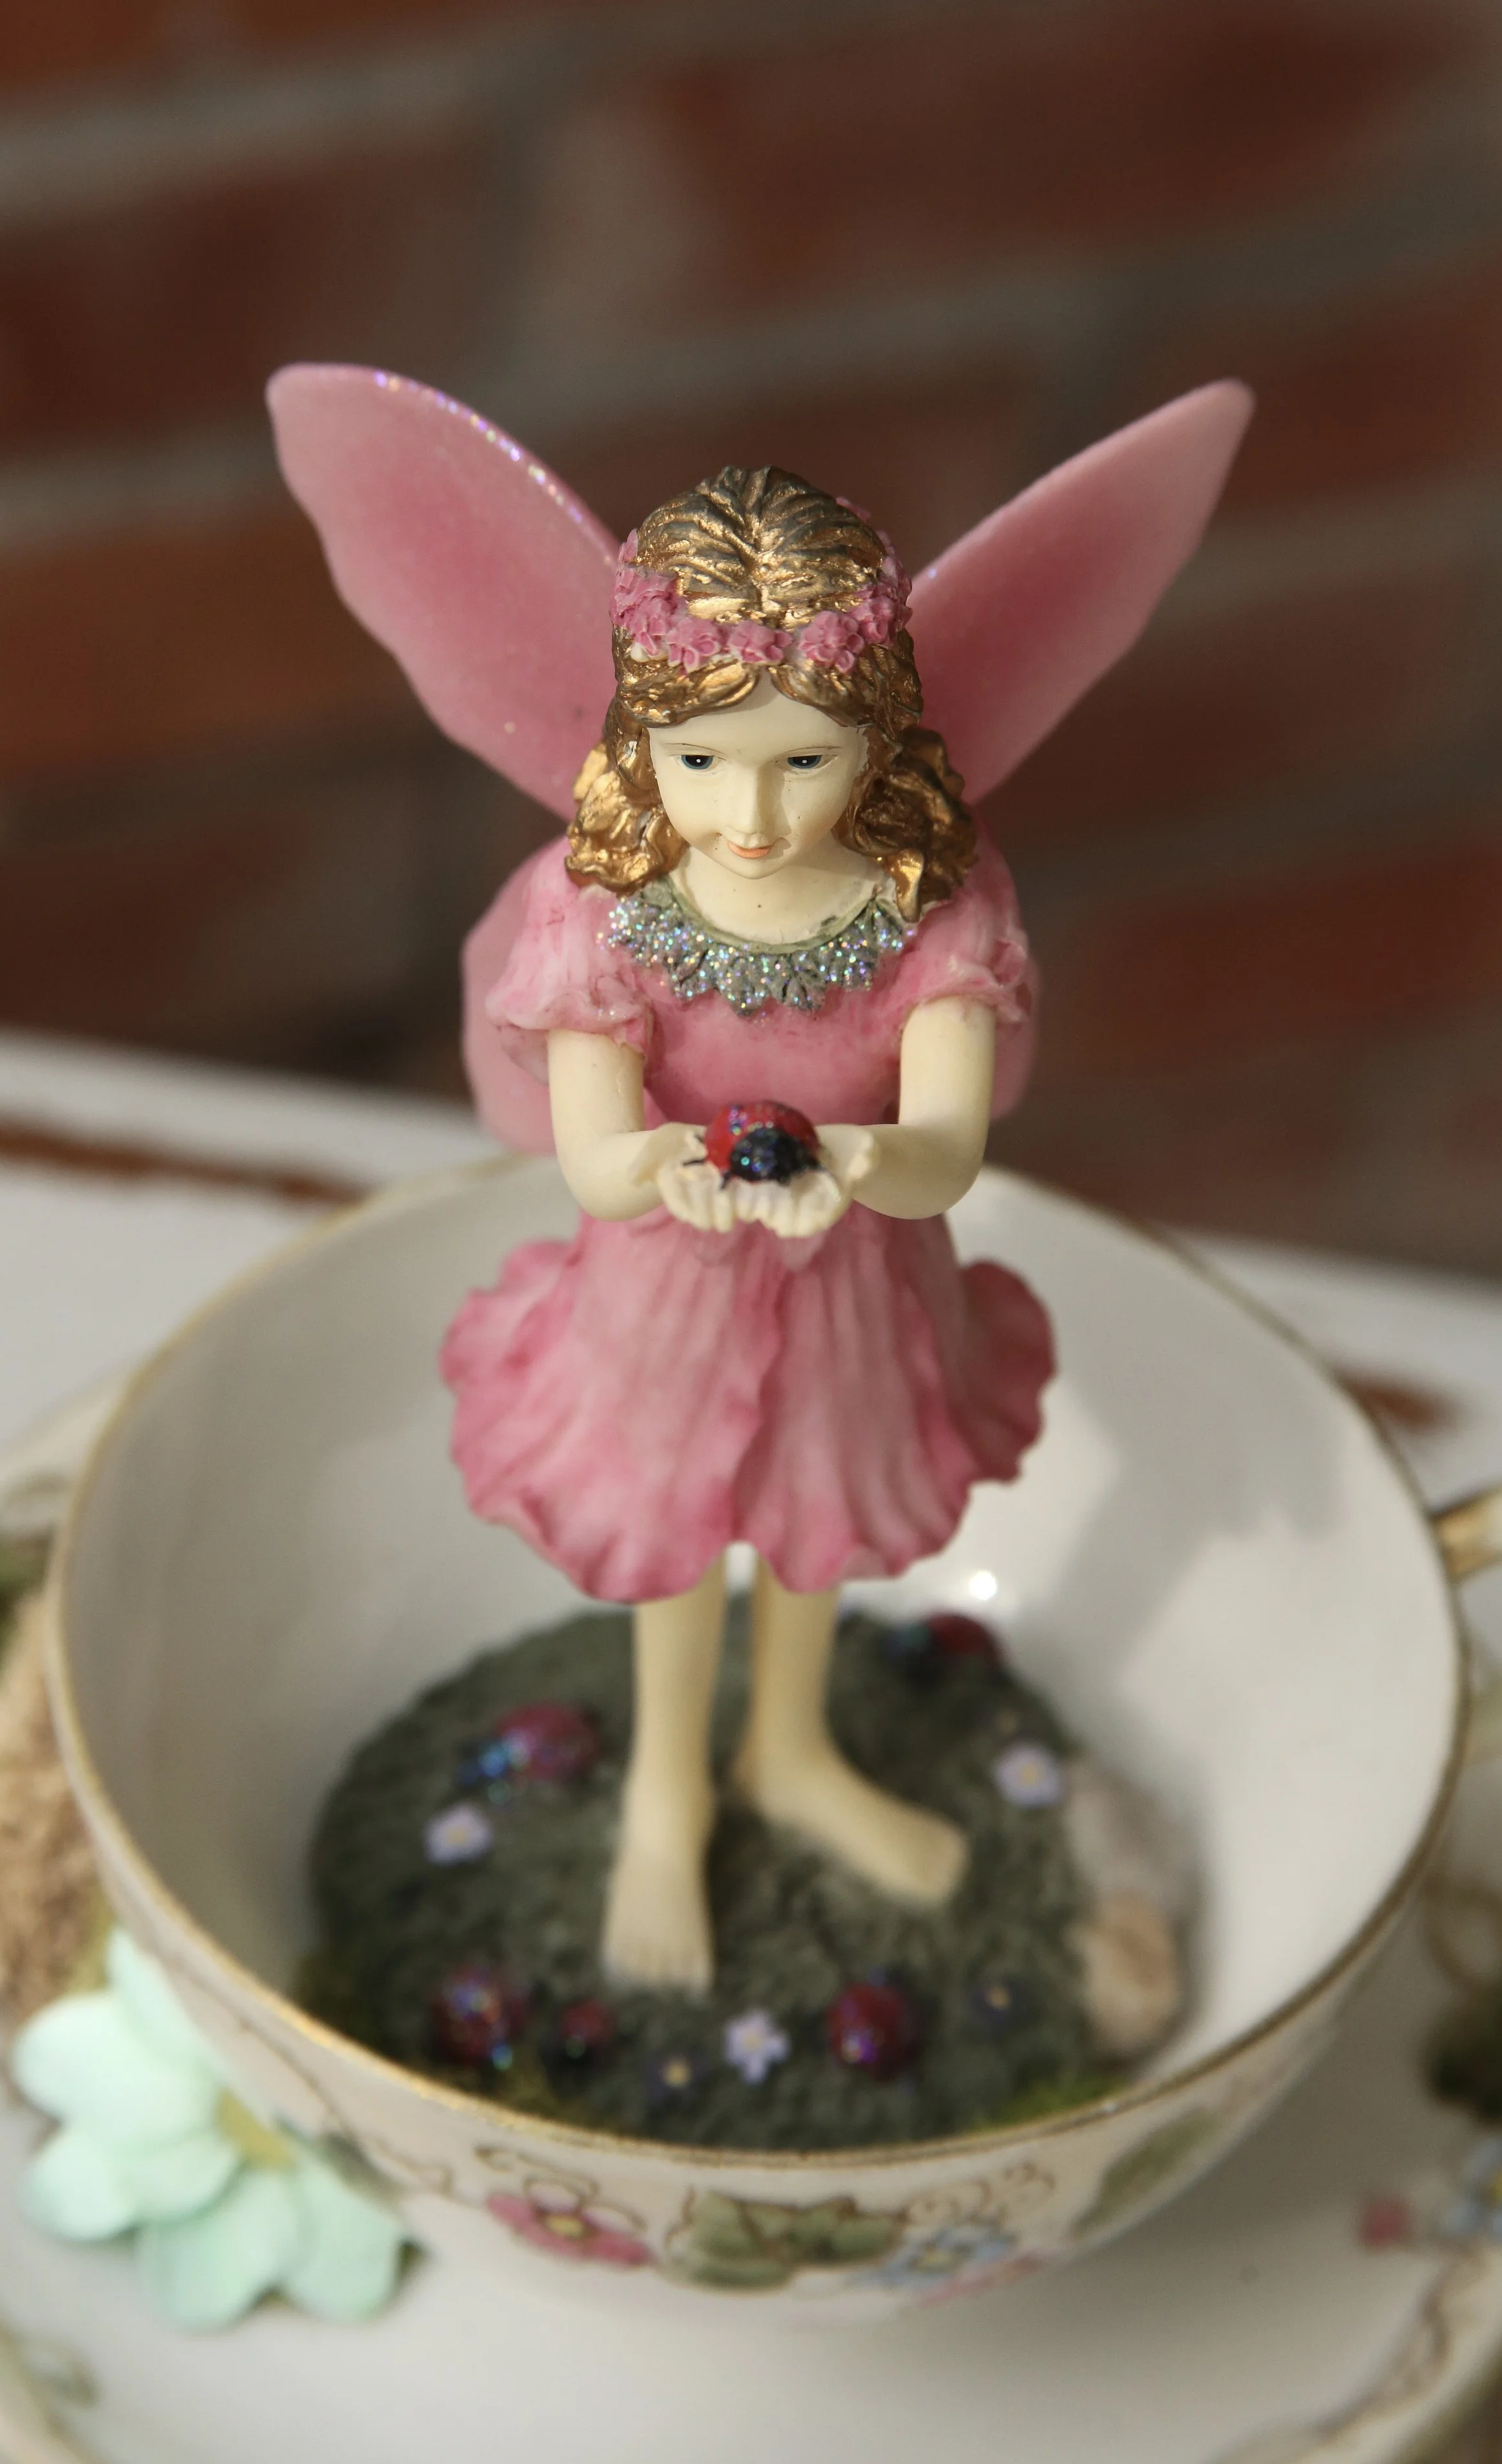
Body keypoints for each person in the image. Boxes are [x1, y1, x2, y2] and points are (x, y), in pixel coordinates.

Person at [441, 467, 1052, 1991]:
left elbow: (946, 1146)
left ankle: (788, 1743)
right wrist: (665, 1166)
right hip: (664, 1283)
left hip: (856, 1279)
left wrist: (858, 1156)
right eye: (702, 760)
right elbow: (593, 1154)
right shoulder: (600, 907)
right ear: (640, 734)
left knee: (813, 1511)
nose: (753, 816)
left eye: (803, 761)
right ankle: (667, 1782)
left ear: (877, 733)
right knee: (665, 1524)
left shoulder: (934, 904)